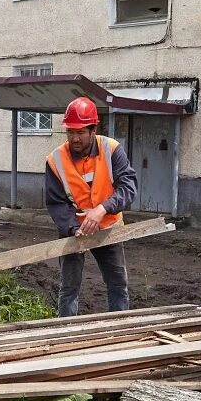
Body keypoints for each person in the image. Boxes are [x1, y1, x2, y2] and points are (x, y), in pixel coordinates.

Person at [44, 96, 139, 317]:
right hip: (75, 232)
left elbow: (128, 187)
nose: (74, 138)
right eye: (70, 132)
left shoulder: (112, 149)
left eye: (80, 132)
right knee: (69, 289)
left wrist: (103, 208)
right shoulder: (55, 160)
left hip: (108, 229)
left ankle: (118, 329)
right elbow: (56, 203)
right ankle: (67, 336)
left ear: (93, 129)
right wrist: (72, 228)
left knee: (118, 285)